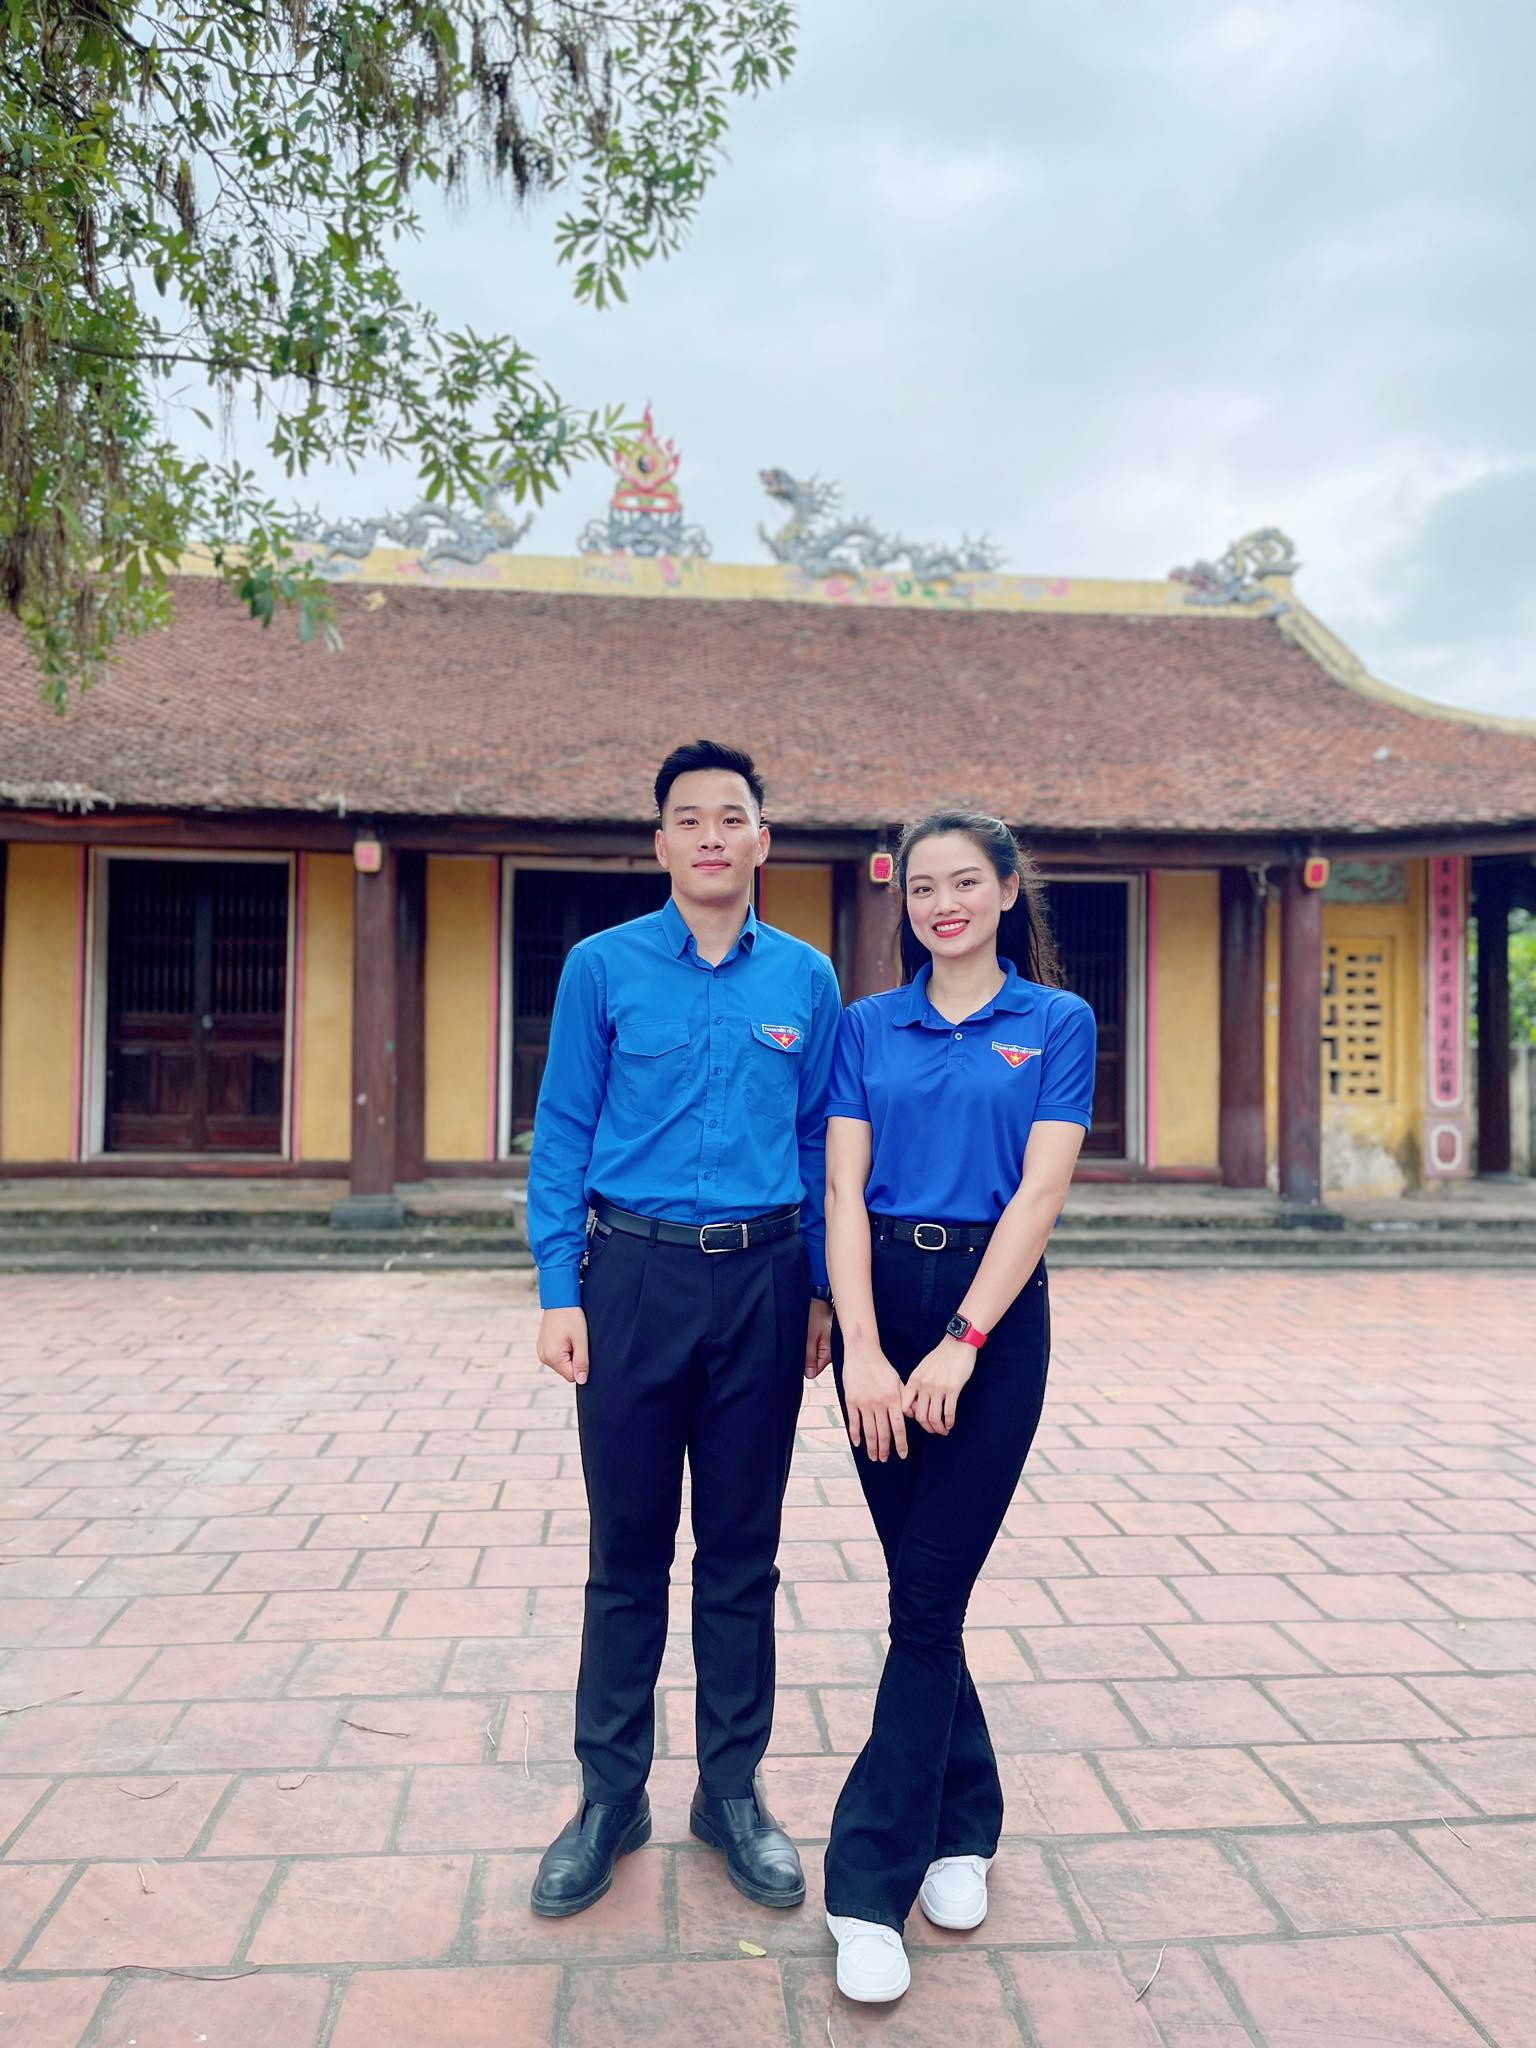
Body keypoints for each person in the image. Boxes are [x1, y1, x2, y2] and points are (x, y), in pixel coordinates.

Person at [526, 738, 839, 1918]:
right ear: (660, 843)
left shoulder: (806, 979)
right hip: (632, 1278)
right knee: (626, 1551)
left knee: (743, 1553)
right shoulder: (602, 967)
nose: (713, 835)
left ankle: (731, 1791)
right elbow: (564, 1127)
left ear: (764, 838)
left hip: (764, 1281)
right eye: (690, 818)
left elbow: (819, 1141)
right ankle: (609, 1797)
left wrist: (819, 1289)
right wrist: (559, 1286)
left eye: (732, 816)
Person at [819, 810, 1096, 2002]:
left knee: (926, 1601)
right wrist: (865, 1349)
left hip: (995, 1315)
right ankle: (966, 1821)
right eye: (924, 885)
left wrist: (963, 1342)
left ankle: (864, 1886)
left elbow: (1038, 1196)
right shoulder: (865, 1025)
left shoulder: (1057, 1021)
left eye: (966, 881)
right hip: (881, 1303)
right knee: (923, 1595)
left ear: (1006, 890)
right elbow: (840, 1188)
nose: (944, 903)